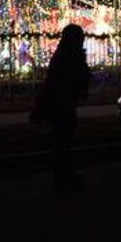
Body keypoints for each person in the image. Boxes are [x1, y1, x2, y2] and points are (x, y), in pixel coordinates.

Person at [34, 24, 92, 191]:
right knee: (63, 141)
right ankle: (64, 176)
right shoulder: (70, 55)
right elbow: (73, 77)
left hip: (61, 103)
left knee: (61, 141)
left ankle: (63, 174)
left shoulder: (63, 54)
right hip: (62, 104)